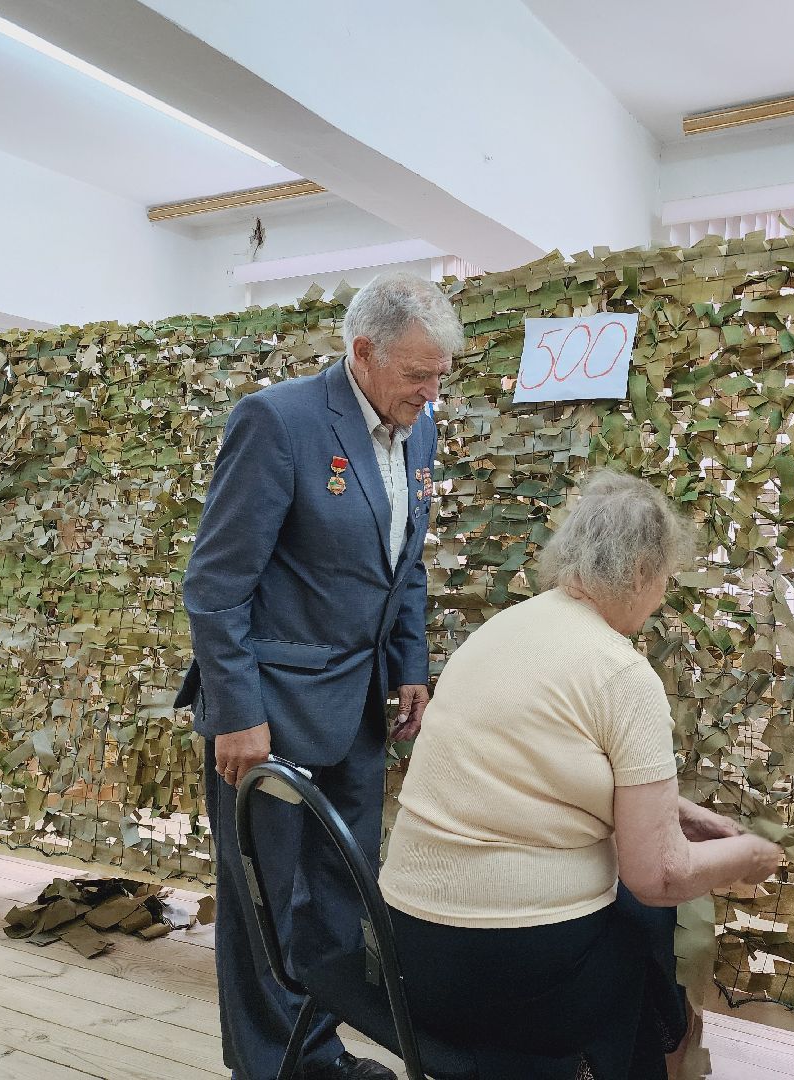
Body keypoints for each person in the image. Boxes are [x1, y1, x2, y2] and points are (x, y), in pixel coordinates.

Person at [379, 470, 784, 1080]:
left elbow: (539, 775)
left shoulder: (501, 631)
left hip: (407, 950)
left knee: (639, 923)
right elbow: (661, 875)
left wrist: (681, 813)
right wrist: (751, 855)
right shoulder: (621, 673)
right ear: (644, 572)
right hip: (507, 971)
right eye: (667, 579)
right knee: (654, 943)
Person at [175, 271, 462, 1080]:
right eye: (417, 375)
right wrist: (237, 714)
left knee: (341, 904)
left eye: (440, 375)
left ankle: (315, 1056)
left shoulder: (419, 428)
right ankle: (265, 1070)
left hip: (358, 712)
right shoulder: (279, 421)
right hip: (267, 718)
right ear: (362, 352)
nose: (431, 392)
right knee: (266, 910)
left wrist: (410, 666)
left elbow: (402, 565)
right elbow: (216, 584)